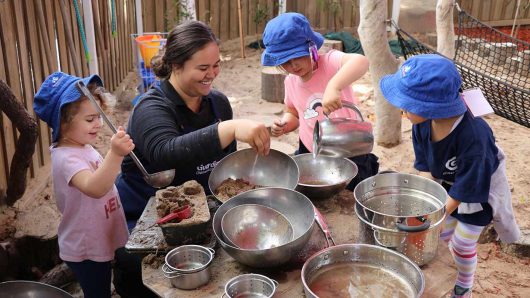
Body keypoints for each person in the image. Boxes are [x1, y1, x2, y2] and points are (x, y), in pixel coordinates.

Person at [113, 20, 271, 297]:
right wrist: (228, 129)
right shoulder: (150, 108)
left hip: (198, 214)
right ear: (176, 65)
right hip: (145, 219)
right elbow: (166, 152)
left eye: (216, 65)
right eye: (202, 68)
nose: (212, 74)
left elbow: (225, 167)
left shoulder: (218, 103)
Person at [379, 54, 520, 298]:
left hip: (478, 190)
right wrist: (425, 208)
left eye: (408, 104)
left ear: (431, 106)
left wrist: (441, 212)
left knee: (463, 244)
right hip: (446, 186)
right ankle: (446, 272)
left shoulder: (474, 136)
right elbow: (425, 169)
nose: (402, 110)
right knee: (440, 236)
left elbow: (470, 183)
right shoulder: (421, 124)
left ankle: (464, 286)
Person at [33, 72, 134, 298]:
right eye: (90, 120)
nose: (98, 124)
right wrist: (115, 154)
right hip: (86, 246)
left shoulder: (81, 145)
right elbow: (94, 188)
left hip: (100, 233)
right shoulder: (66, 158)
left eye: (98, 117)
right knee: (97, 293)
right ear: (63, 121)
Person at [261, 12, 379, 190]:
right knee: (316, 189)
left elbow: (361, 61)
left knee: (351, 188)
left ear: (311, 48)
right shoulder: (290, 81)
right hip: (311, 148)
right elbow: (293, 112)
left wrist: (334, 86)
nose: (293, 66)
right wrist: (285, 124)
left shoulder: (330, 62)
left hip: (348, 147)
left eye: (298, 56)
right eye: (285, 61)